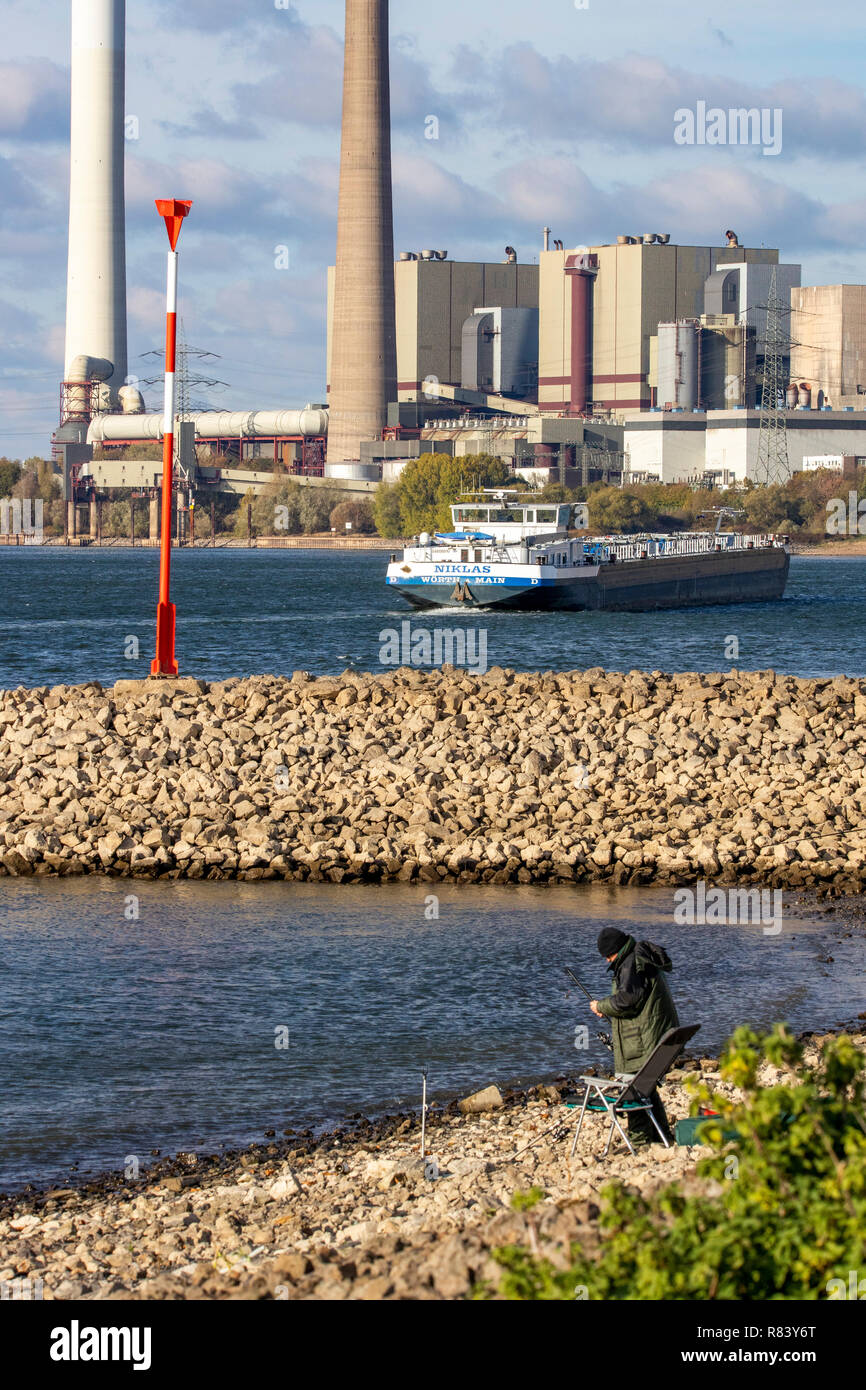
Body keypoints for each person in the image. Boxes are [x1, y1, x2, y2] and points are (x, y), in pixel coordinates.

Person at [589, 927, 679, 1148]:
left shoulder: (630, 963)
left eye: (608, 956)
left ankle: (639, 1141)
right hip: (658, 1037)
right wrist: (609, 1008)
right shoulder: (639, 958)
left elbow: (628, 1000)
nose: (606, 961)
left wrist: (601, 1005)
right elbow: (632, 999)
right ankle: (661, 1135)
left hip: (643, 1041)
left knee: (633, 1087)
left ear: (616, 951)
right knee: (645, 1086)